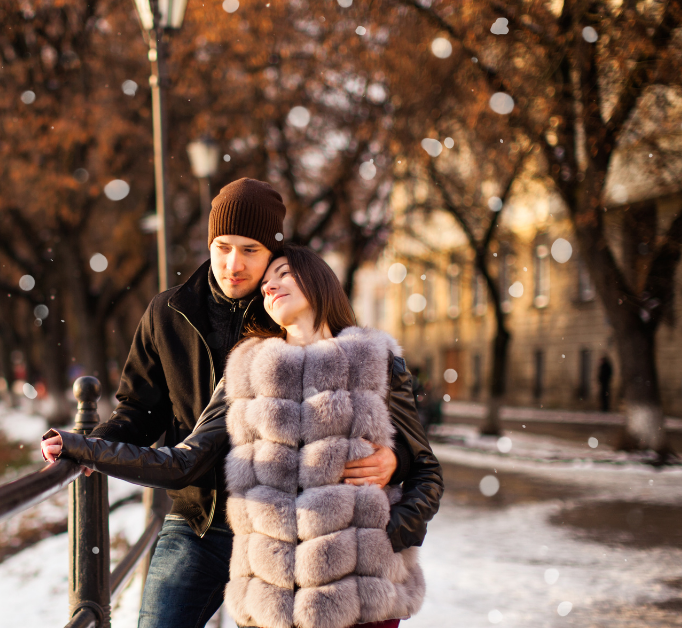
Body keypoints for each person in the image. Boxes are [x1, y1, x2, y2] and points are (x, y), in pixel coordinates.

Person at [41, 180, 440, 628]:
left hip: (294, 527)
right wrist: (88, 447)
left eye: (251, 250)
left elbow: (402, 443)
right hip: (201, 515)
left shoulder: (289, 311)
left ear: (276, 252)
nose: (235, 265)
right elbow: (140, 412)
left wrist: (394, 490)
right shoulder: (170, 315)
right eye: (223, 247)